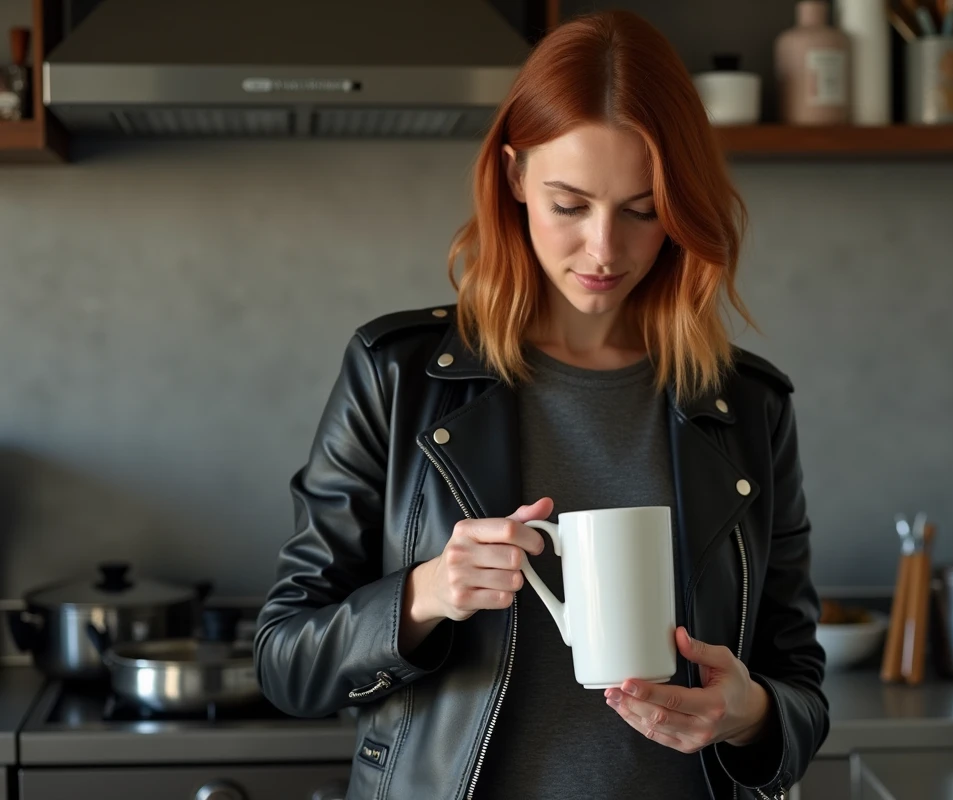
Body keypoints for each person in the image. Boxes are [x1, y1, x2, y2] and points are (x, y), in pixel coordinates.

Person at [254, 10, 829, 800]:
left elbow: (798, 689)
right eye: (570, 204)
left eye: (641, 208)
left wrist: (749, 713)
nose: (604, 249)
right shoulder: (398, 374)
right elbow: (286, 662)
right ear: (514, 176)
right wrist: (426, 594)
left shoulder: (747, 406)